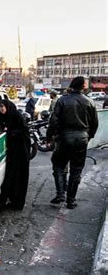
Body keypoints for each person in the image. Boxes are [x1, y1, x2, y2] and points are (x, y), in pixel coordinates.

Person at [46, 76, 98, 209]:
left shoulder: (63, 100)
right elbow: (94, 124)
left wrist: (49, 137)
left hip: (64, 138)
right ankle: (71, 200)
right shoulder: (90, 102)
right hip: (81, 139)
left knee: (58, 165)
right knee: (76, 170)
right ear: (83, 86)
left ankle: (60, 193)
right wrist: (88, 136)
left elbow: (54, 121)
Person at [0, 99, 31, 210]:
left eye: (3, 106)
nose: (1, 109)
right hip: (12, 150)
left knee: (17, 175)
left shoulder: (16, 115)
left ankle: (16, 202)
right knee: (11, 175)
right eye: (0, 107)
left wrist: (10, 132)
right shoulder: (4, 117)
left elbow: (24, 131)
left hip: (20, 150)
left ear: (7, 106)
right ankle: (8, 199)